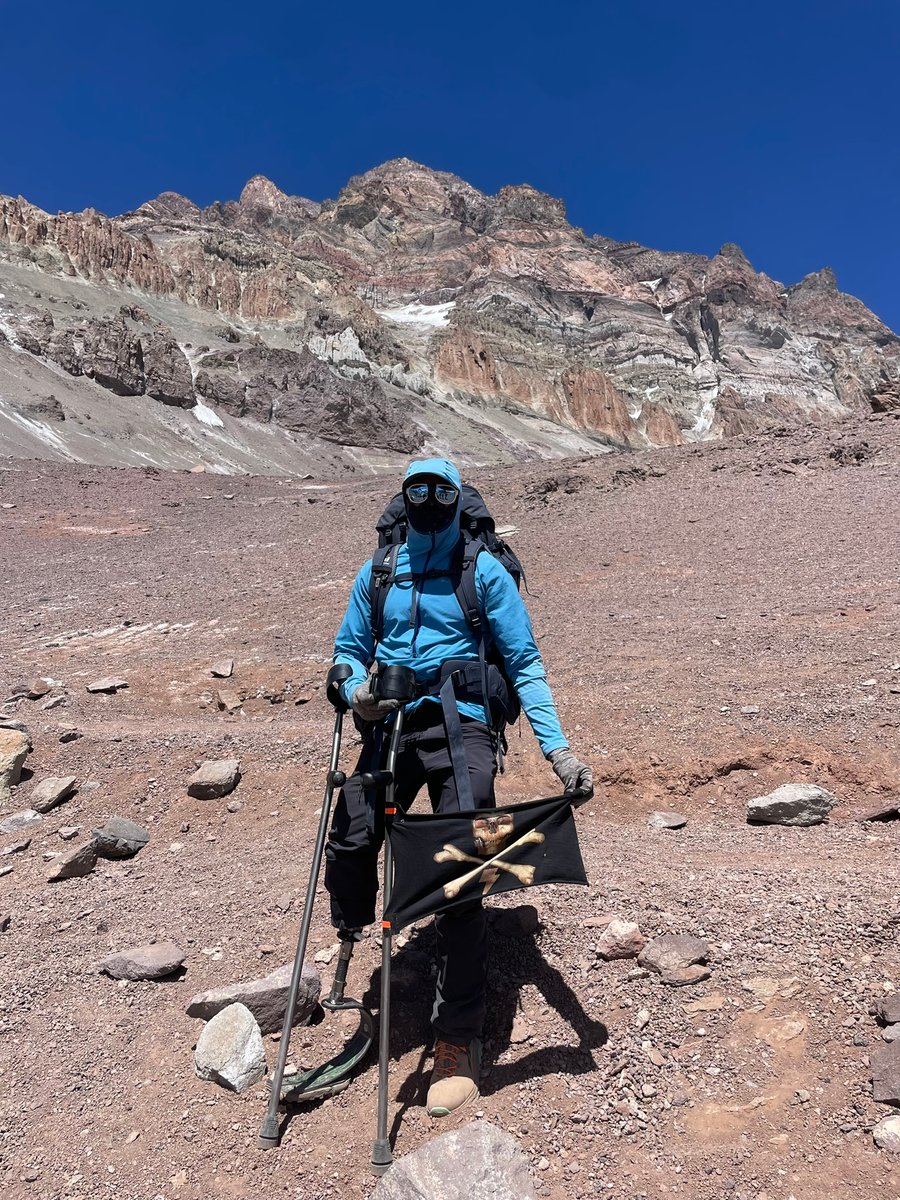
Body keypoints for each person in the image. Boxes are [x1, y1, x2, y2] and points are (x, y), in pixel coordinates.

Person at [324, 457, 593, 1117]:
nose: (428, 501)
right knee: (352, 831)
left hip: (463, 725)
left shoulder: (484, 572)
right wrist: (353, 687)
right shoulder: (380, 572)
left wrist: (557, 750)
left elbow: (524, 661)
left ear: (454, 498)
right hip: (390, 725)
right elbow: (348, 649)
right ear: (403, 499)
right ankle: (353, 927)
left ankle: (457, 1035)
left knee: (462, 864)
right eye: (416, 490)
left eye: (440, 491)